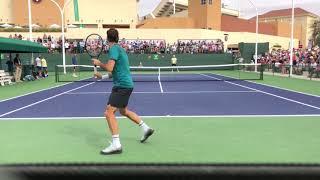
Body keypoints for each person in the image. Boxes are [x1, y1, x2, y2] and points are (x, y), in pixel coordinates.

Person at [92, 28, 154, 155]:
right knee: (123, 111)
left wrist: (99, 63)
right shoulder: (121, 50)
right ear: (117, 37)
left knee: (109, 112)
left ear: (107, 39)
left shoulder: (113, 49)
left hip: (121, 86)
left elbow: (109, 67)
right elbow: (116, 71)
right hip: (126, 84)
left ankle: (116, 144)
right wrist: (102, 77)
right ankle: (145, 128)